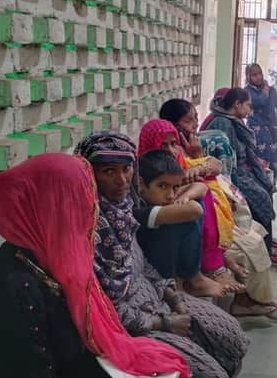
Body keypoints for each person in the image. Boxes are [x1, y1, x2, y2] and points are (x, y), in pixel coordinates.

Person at [0, 153, 190, 378]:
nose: (91, 215)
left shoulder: (55, 260)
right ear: (45, 212)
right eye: (75, 207)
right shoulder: (10, 293)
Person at [89, 144, 250, 378]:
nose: (122, 180)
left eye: (126, 169)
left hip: (158, 296)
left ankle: (194, 279)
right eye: (109, 171)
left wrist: (174, 298)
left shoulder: (122, 213)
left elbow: (144, 266)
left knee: (230, 334)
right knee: (210, 372)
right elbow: (110, 308)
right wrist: (165, 322)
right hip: (138, 322)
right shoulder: (97, 229)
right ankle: (194, 277)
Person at [159, 98, 277, 320]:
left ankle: (247, 298)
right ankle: (248, 298)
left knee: (256, 231)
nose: (195, 125)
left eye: (195, 119)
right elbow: (194, 183)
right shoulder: (161, 162)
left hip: (216, 217)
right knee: (250, 245)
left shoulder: (184, 150)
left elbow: (215, 165)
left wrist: (197, 159)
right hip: (202, 228)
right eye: (189, 120)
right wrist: (198, 171)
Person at [137, 120, 244, 292]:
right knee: (191, 209)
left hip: (168, 237)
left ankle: (205, 268)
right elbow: (194, 210)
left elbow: (212, 170)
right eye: (163, 144)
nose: (170, 150)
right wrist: (182, 198)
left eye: (173, 144)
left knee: (200, 194)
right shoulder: (143, 178)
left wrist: (189, 187)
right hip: (154, 253)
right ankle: (197, 275)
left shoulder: (176, 164)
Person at [203, 88, 277, 267]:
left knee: (266, 185)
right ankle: (263, 249)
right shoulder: (223, 123)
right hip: (233, 174)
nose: (250, 110)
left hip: (242, 168)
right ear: (237, 104)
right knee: (261, 197)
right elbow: (227, 161)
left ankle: (265, 240)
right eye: (248, 105)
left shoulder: (232, 120)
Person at [244, 62, 277, 186]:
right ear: (248, 77)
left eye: (260, 73)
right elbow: (257, 102)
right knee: (257, 170)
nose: (258, 77)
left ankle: (270, 194)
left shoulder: (272, 91)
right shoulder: (246, 93)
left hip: (272, 137)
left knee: (272, 171)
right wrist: (265, 93)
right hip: (255, 138)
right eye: (254, 75)